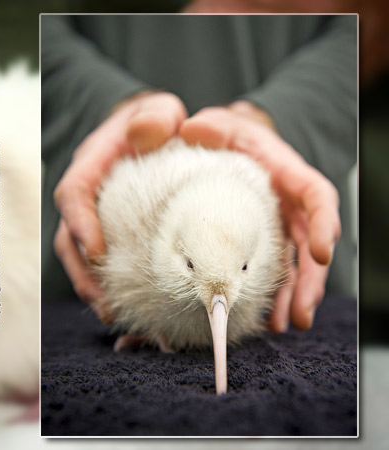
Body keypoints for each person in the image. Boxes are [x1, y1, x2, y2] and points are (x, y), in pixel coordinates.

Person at [41, 14, 356, 333]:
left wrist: (287, 116)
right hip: (80, 301)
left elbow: (365, 25)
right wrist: (92, 102)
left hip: (296, 275)